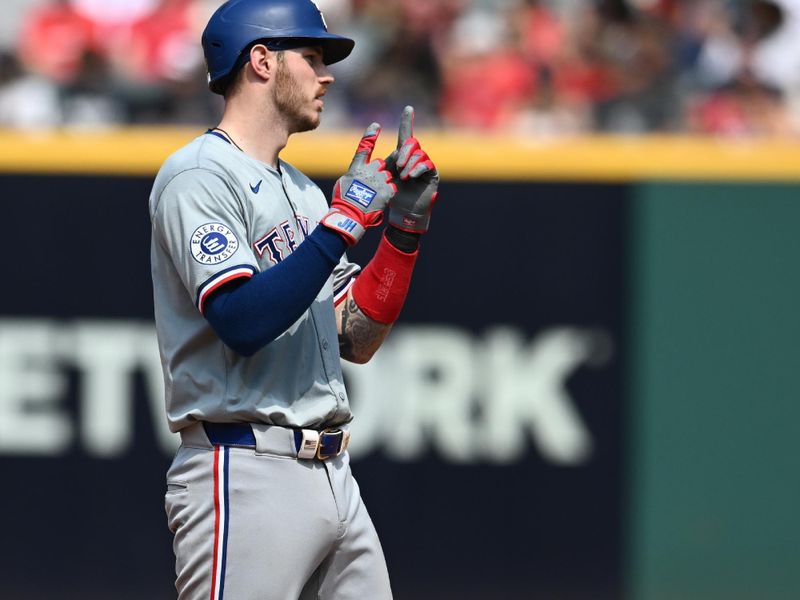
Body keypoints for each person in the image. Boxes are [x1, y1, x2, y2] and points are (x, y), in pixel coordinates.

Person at [148, 0, 439, 598]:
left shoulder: (304, 192)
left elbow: (354, 339)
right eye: (311, 57)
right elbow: (241, 319)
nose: (327, 75)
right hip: (245, 470)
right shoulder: (200, 175)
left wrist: (402, 234)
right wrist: (341, 223)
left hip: (333, 473)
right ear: (261, 61)